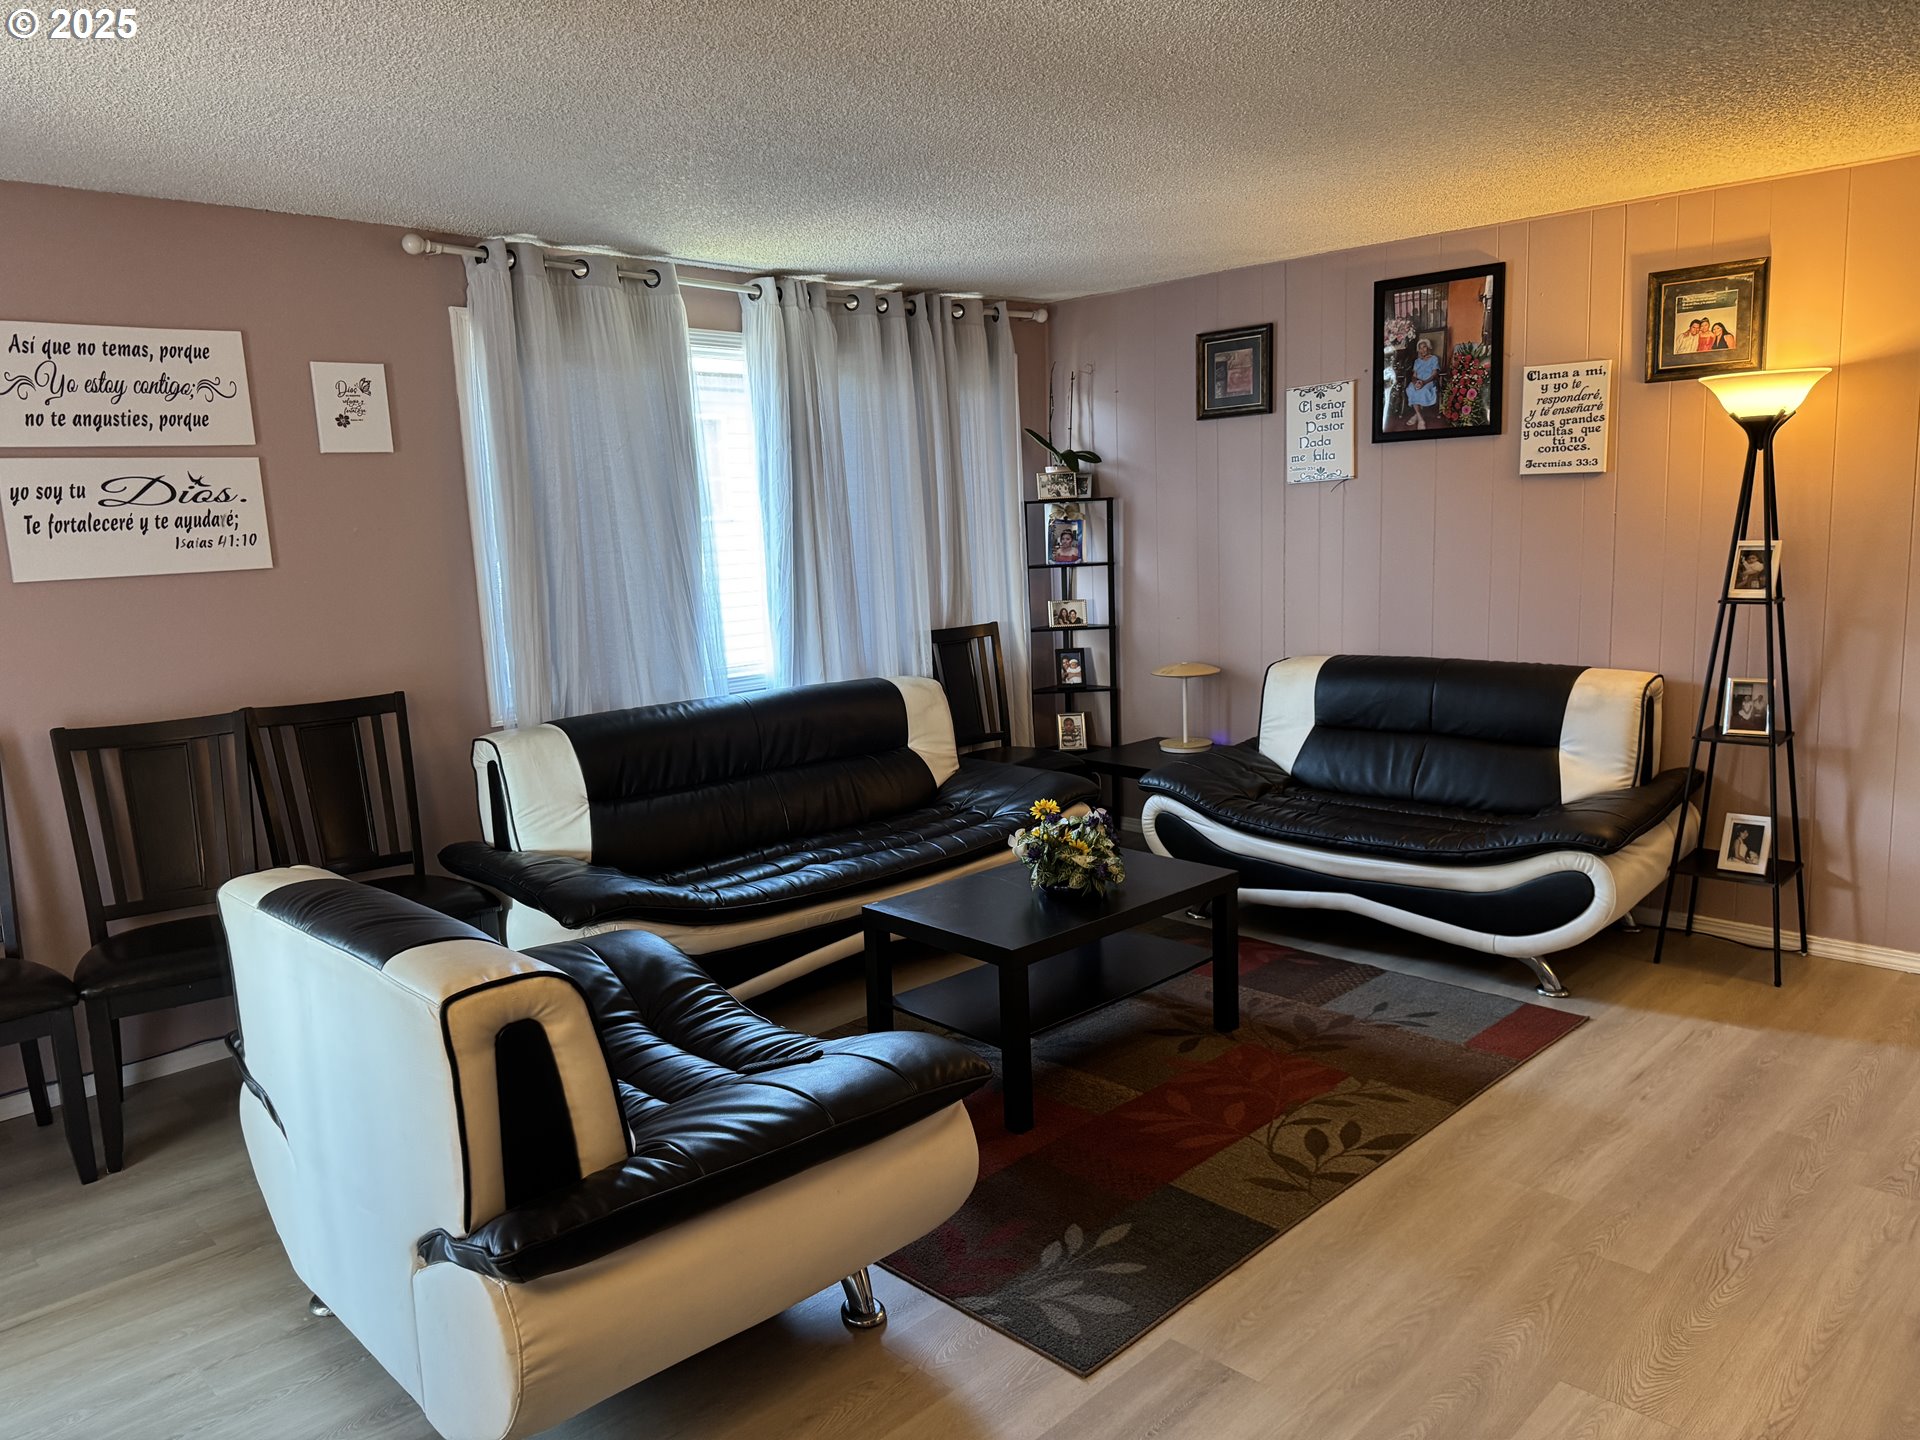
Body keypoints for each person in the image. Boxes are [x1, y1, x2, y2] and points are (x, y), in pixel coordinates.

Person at [1405, 338, 1440, 428]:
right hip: (1418, 381)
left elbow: (1434, 375)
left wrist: (1424, 382)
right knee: (1410, 389)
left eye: (1424, 347)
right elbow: (1414, 376)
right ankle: (1420, 418)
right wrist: (1415, 382)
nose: (1422, 350)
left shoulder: (1434, 359)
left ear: (1428, 347)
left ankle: (1416, 416)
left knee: (1422, 391)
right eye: (1420, 348)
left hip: (1428, 381)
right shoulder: (1417, 361)